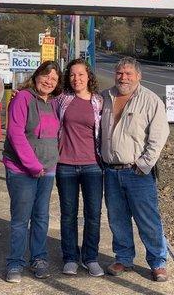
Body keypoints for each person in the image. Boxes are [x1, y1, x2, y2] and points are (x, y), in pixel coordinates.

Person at [101, 56, 170, 282]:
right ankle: (123, 258)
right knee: (117, 219)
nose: (124, 77)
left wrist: (144, 164)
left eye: (129, 73)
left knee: (148, 219)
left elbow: (159, 136)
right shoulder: (105, 97)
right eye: (120, 73)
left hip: (137, 172)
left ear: (138, 76)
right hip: (111, 171)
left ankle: (158, 262)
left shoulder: (150, 100)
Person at [2, 61, 62, 283]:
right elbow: (15, 134)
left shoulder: (55, 103)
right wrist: (33, 166)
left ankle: (39, 258)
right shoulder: (22, 98)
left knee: (41, 216)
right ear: (37, 76)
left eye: (54, 79)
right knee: (21, 218)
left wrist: (49, 164)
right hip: (22, 170)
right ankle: (15, 263)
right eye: (46, 76)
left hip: (47, 171)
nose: (49, 81)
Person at [56, 58, 104, 277]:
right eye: (73, 75)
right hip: (65, 165)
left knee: (93, 214)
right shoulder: (62, 99)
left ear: (88, 76)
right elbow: (40, 96)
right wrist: (20, 93)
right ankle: (70, 257)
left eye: (81, 74)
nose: (77, 79)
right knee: (68, 215)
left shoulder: (99, 101)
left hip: (93, 166)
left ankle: (91, 257)